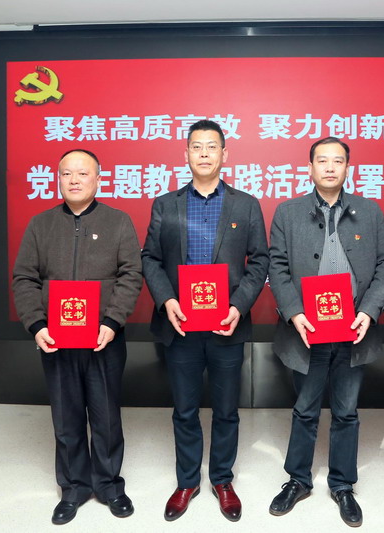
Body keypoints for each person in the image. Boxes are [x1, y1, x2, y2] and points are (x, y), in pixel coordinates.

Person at [141, 119, 269, 522]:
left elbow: (260, 261)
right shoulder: (166, 204)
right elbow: (150, 258)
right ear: (186, 154)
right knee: (184, 408)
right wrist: (167, 300)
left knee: (227, 409)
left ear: (224, 154)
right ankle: (187, 481)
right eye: (196, 147)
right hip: (180, 324)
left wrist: (238, 306)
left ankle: (222, 480)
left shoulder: (245, 204)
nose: (204, 154)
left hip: (226, 324)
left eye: (212, 147)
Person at [267, 137, 384, 528]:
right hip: (307, 331)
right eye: (322, 160)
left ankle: (342, 485)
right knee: (305, 408)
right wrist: (294, 314)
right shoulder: (288, 213)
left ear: (347, 168)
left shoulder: (369, 212)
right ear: (310, 167)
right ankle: (298, 480)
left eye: (337, 161)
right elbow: (277, 268)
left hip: (353, 330)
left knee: (346, 411)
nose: (329, 167)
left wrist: (369, 311)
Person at [12, 149, 143, 525]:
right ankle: (73, 488)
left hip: (104, 338)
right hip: (56, 339)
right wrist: (37, 325)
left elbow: (131, 274)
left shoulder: (118, 221)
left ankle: (109, 485)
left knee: (106, 416)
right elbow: (24, 278)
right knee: (66, 417)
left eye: (82, 173)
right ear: (58, 179)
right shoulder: (41, 224)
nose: (74, 180)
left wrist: (112, 321)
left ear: (98, 179)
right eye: (66, 173)